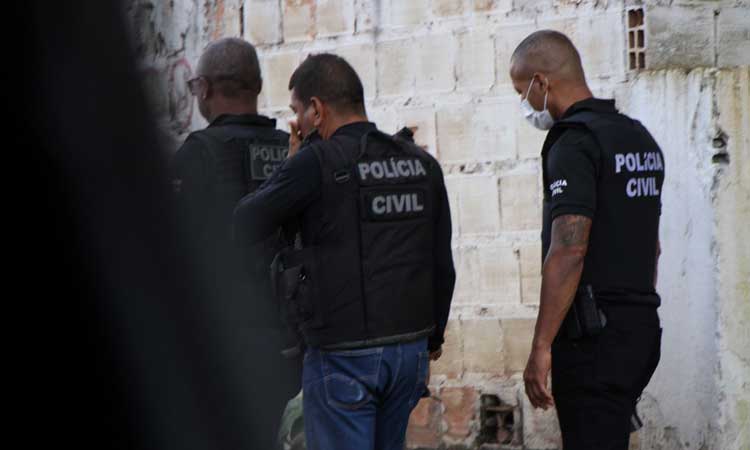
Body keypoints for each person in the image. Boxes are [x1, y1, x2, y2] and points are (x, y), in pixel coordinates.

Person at [233, 53, 456, 450]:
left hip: (343, 358)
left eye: (297, 112)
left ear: (317, 110)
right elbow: (441, 262)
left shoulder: (314, 162)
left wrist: (291, 161)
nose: (297, 123)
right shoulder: (421, 163)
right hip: (410, 354)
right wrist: (433, 337)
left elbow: (245, 221)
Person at [509, 30, 665, 449]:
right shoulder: (637, 136)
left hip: (593, 339)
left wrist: (541, 346)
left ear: (541, 82)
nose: (524, 103)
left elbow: (569, 249)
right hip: (641, 328)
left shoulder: (574, 143)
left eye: (522, 92)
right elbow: (652, 246)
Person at [171, 37, 301, 449]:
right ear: (257, 86)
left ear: (204, 89)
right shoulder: (293, 151)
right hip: (292, 342)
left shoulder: (196, 155)